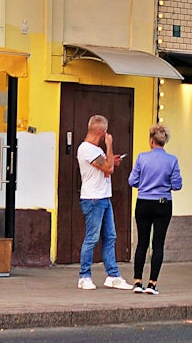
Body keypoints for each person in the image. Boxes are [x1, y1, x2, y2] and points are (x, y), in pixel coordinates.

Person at [76, 115, 132, 291]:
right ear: (101, 131)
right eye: (105, 132)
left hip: (103, 197)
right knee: (92, 238)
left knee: (111, 237)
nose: (107, 135)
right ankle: (84, 276)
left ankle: (113, 275)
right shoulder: (87, 149)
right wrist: (109, 146)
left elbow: (106, 169)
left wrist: (111, 159)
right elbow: (108, 169)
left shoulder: (95, 151)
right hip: (93, 199)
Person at [127, 124, 182, 295]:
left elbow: (132, 181)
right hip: (163, 203)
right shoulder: (172, 160)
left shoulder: (141, 158)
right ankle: (152, 284)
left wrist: (144, 184)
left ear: (151, 140)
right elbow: (177, 185)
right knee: (158, 243)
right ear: (164, 141)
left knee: (142, 242)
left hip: (143, 202)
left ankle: (137, 282)